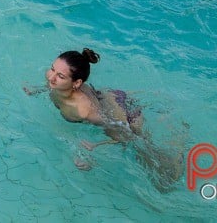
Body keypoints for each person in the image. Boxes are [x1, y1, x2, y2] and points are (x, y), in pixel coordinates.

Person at [30, 48, 184, 189]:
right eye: (52, 68)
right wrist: (36, 90)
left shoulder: (84, 111)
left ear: (76, 83)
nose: (51, 77)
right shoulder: (54, 79)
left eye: (60, 76)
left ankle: (177, 146)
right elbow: (52, 85)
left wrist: (95, 149)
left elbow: (124, 133)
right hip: (108, 96)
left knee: (151, 160)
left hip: (123, 113)